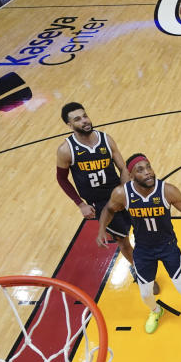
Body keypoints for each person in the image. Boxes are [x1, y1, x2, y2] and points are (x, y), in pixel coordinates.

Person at [97, 153, 181, 333]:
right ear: (131, 176)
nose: (148, 173)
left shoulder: (167, 190)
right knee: (145, 293)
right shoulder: (122, 194)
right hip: (143, 250)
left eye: (149, 167)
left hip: (167, 246)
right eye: (141, 170)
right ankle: (156, 311)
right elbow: (109, 209)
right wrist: (101, 230)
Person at [55, 103, 135, 271]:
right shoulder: (66, 150)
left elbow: (123, 169)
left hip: (121, 193)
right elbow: (61, 179)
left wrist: (125, 192)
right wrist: (81, 204)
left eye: (85, 116)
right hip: (101, 203)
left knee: (144, 227)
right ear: (70, 125)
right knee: (122, 240)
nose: (85, 121)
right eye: (78, 119)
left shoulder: (106, 139)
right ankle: (140, 270)